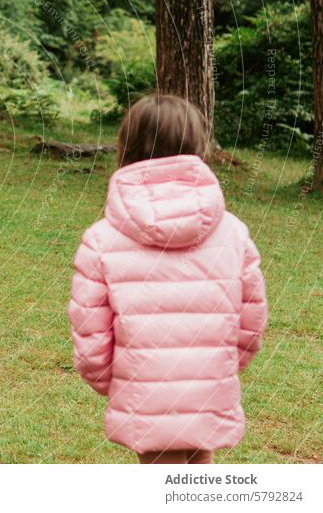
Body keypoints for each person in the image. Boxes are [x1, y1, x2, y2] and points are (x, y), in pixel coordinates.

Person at [68, 94, 268, 464]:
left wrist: (116, 382)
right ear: (197, 146)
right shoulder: (234, 233)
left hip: (144, 392)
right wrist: (219, 367)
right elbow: (251, 321)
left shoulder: (102, 240)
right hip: (209, 389)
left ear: (127, 148)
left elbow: (90, 335)